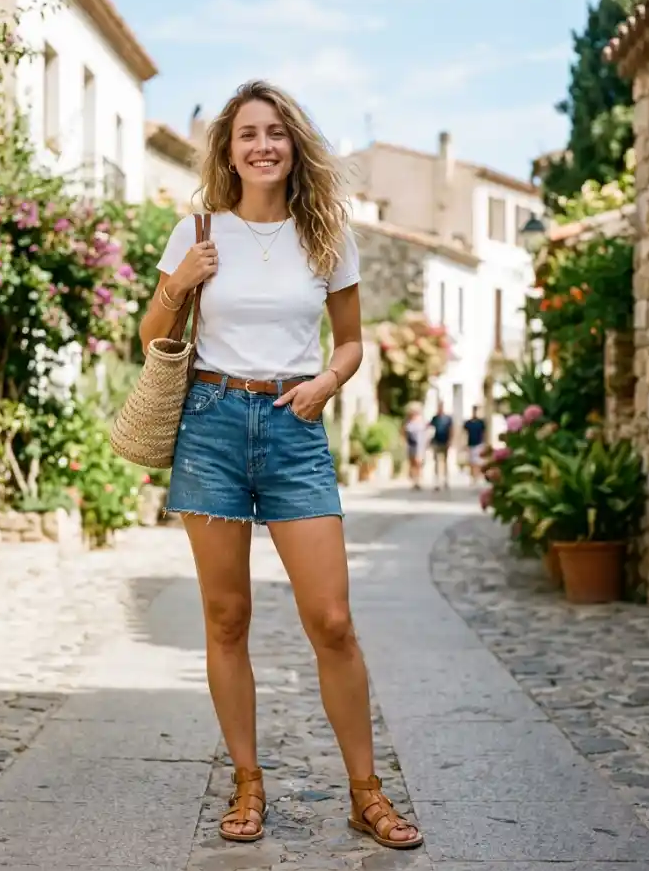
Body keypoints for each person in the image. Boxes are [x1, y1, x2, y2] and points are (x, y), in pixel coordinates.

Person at [138, 80, 422, 851]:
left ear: (294, 144)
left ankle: (365, 792)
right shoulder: (196, 230)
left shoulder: (326, 236)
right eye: (247, 135)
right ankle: (247, 780)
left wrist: (328, 382)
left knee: (332, 621)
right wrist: (181, 281)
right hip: (211, 423)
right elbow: (151, 333)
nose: (262, 145)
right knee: (227, 617)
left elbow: (353, 340)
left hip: (295, 429)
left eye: (276, 133)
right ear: (228, 149)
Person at [429, 401, 453, 491]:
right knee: (436, 461)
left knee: (445, 461)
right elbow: (430, 428)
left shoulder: (448, 418)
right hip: (436, 441)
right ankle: (437, 480)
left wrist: (450, 440)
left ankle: (445, 480)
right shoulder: (435, 418)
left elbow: (451, 429)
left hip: (445, 441)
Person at [403, 405, 426, 490]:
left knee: (418, 463)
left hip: (419, 445)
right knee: (412, 463)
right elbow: (403, 432)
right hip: (410, 444)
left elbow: (425, 432)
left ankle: (418, 481)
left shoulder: (421, 421)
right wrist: (404, 441)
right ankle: (414, 481)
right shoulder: (408, 422)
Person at [464, 406, 487, 483]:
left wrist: (484, 443)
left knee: (478, 461)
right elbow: (465, 434)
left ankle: (477, 476)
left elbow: (484, 433)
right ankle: (473, 477)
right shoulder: (468, 423)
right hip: (470, 444)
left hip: (479, 444)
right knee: (471, 462)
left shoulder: (481, 423)